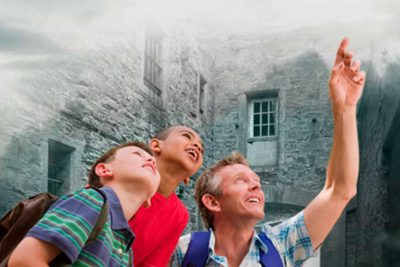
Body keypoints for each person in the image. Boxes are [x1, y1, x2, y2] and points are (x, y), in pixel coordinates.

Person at [170, 37, 366, 266]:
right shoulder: (182, 253)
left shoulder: (282, 245)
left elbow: (339, 189)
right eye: (240, 180)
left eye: (256, 181)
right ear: (212, 202)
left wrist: (344, 107)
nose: (256, 186)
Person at [9, 141, 161, 267]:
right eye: (137, 154)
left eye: (154, 162)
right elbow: (25, 260)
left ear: (149, 199)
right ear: (104, 169)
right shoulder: (92, 200)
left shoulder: (126, 249)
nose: (151, 161)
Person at [129, 126, 204, 267]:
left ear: (189, 176)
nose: (197, 146)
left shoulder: (180, 215)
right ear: (156, 146)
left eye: (201, 148)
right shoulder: (125, 179)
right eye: (187, 136)